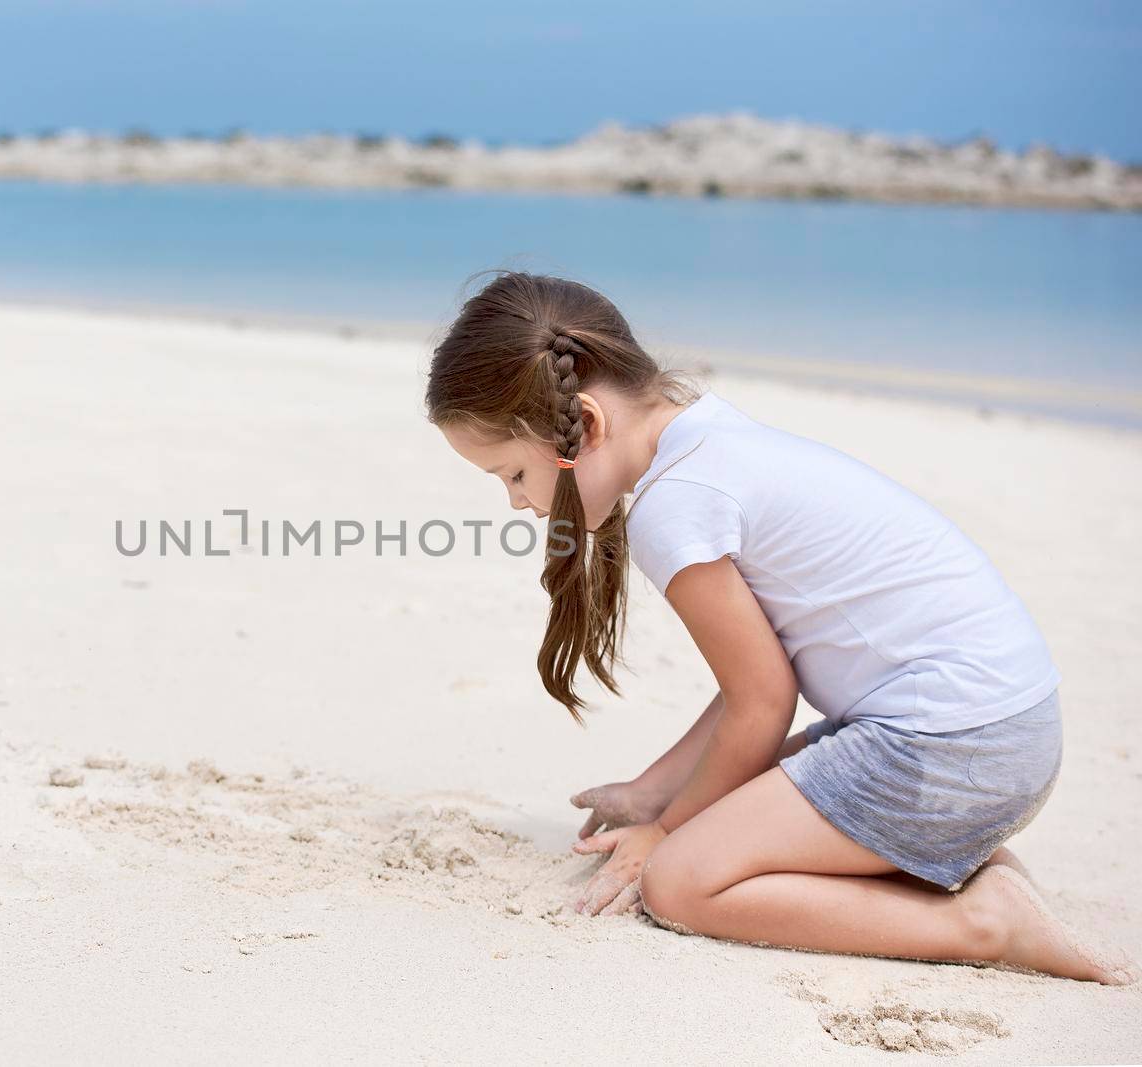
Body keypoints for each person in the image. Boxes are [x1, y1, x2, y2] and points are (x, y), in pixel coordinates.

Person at [425, 270, 1133, 984]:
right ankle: (941, 856)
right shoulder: (708, 435)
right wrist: (652, 792)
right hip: (1003, 729)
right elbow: (757, 679)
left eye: (513, 473)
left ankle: (980, 921)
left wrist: (666, 831)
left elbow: (763, 699)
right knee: (717, 809)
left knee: (682, 881)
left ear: (588, 423)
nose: (520, 503)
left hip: (950, 747)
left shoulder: (676, 506)